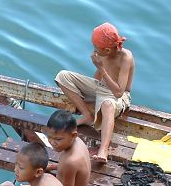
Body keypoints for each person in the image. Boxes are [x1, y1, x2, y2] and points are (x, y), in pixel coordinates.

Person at [55, 22, 135, 163]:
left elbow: (118, 92)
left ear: (108, 50)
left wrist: (101, 68)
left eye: (96, 47)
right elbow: (96, 79)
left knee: (107, 105)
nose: (94, 50)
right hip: (102, 88)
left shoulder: (125, 58)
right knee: (63, 76)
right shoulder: (102, 54)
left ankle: (103, 149)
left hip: (119, 96)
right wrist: (88, 91)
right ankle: (87, 115)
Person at [43, 109, 91, 186]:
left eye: (58, 139)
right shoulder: (78, 142)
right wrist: (55, 166)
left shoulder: (69, 162)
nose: (52, 142)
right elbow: (77, 170)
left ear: (73, 135)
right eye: (49, 137)